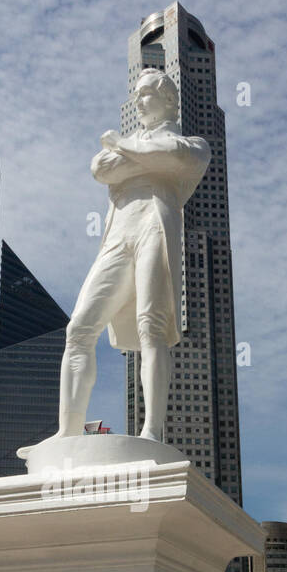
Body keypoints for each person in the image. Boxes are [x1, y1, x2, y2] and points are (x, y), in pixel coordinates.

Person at [57, 68, 210, 441]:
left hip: (156, 221)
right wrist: (142, 156)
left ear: (168, 100)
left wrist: (123, 148)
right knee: (79, 329)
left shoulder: (194, 144)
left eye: (145, 94)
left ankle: (152, 430)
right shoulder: (136, 144)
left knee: (151, 326)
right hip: (118, 231)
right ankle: (69, 431)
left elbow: (174, 154)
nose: (138, 102)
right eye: (137, 94)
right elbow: (100, 169)